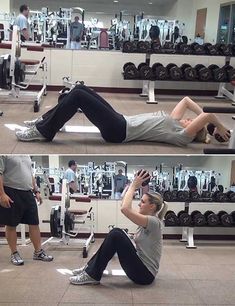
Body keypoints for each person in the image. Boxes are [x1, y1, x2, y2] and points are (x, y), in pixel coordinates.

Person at [15, 84, 231, 146]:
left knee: (78, 98)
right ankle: (45, 121)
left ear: (193, 131)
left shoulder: (182, 135)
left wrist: (220, 128)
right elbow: (186, 100)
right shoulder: (174, 121)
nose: (189, 119)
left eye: (192, 122)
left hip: (118, 131)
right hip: (120, 120)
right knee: (79, 89)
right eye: (190, 119)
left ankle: (44, 131)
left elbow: (209, 114)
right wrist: (212, 125)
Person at [69, 170, 168, 285]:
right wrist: (131, 186)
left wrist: (134, 186)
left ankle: (92, 274)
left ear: (152, 206)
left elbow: (125, 209)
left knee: (116, 234)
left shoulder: (154, 222)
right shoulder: (148, 219)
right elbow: (124, 205)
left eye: (142, 202)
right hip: (141, 269)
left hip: (144, 275)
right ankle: (90, 269)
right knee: (115, 234)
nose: (139, 204)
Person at [0, 156, 53, 265]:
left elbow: (30, 174)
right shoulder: (4, 155)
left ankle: (38, 252)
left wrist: (36, 190)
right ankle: (14, 253)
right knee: (11, 224)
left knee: (34, 223)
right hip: (11, 190)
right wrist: (2, 194)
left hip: (28, 192)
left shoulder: (26, 155)